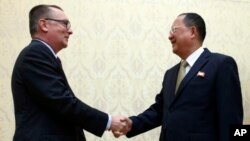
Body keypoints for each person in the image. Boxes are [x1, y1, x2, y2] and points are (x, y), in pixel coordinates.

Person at [114, 12, 244, 141]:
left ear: (192, 32)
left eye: (174, 30)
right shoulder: (170, 74)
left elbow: (231, 119)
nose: (169, 36)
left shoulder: (221, 64)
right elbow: (159, 111)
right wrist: (131, 124)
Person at [11, 4, 129, 141]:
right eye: (65, 24)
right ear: (44, 25)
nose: (70, 30)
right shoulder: (35, 54)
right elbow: (62, 101)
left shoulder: (43, 55)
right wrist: (109, 122)